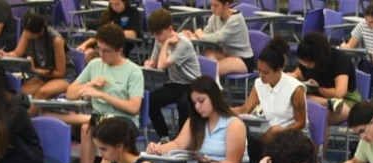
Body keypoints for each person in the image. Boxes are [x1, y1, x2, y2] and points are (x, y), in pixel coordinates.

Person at [49, 24, 142, 163]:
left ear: (119, 49)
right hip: (99, 120)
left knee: (88, 126)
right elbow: (70, 92)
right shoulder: (95, 65)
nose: (101, 54)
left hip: (124, 121)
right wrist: (90, 84)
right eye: (99, 49)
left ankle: (85, 119)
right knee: (87, 127)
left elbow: (134, 108)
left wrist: (102, 95)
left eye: (106, 51)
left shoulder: (133, 71)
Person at [236, 37, 307, 148]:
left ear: (279, 69)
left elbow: (301, 123)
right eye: (259, 70)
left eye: (266, 72)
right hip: (269, 132)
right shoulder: (259, 83)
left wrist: (283, 130)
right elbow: (245, 109)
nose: (261, 75)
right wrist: (221, 110)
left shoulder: (295, 89)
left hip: (291, 136)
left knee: (262, 142)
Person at [144, 8, 200, 141]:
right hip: (175, 84)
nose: (157, 38)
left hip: (192, 85)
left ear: (170, 29)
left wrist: (167, 43)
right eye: (154, 34)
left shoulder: (183, 43)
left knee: (183, 103)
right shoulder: (160, 41)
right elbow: (155, 62)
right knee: (151, 100)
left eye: (159, 33)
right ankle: (164, 137)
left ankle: (182, 139)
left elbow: (162, 65)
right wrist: (149, 63)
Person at [3, 12, 70, 117]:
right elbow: (17, 53)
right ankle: (11, 116)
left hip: (64, 76)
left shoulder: (56, 40)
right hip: (43, 74)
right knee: (22, 91)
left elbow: (61, 72)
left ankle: (25, 121)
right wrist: (4, 55)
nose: (28, 36)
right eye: (27, 32)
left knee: (42, 92)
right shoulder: (28, 31)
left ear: (42, 30)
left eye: (32, 34)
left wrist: (36, 70)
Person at [293, 31, 360, 125]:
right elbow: (297, 74)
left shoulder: (339, 60)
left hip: (345, 103)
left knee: (319, 117)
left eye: (308, 64)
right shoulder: (306, 62)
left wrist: (318, 89)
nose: (305, 65)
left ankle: (318, 140)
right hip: (319, 99)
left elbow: (340, 93)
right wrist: (290, 78)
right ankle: (328, 102)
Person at [185, 0, 253, 78]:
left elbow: (219, 38)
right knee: (207, 53)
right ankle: (216, 83)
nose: (212, 9)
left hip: (242, 59)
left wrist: (200, 35)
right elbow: (206, 34)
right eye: (211, 5)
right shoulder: (214, 17)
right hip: (226, 55)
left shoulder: (236, 19)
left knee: (208, 70)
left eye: (216, 6)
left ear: (226, 5)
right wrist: (192, 36)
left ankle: (216, 87)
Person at [75, 0, 140, 62]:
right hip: (101, 46)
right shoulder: (108, 14)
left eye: (117, 4)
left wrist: (110, 33)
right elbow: (98, 34)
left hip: (118, 47)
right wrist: (85, 44)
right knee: (86, 54)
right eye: (111, 4)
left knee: (93, 54)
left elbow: (132, 34)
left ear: (124, 2)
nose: (114, 7)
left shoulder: (133, 12)